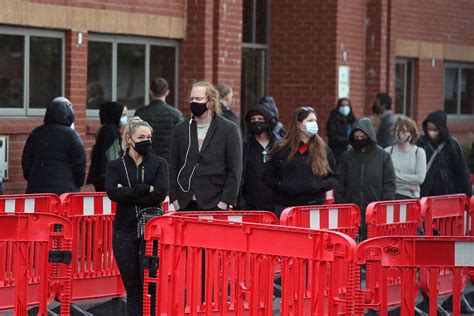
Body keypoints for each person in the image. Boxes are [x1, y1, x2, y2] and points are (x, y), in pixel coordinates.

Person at [105, 117, 169, 316]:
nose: (146, 141)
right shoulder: (116, 166)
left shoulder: (159, 163)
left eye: (149, 137)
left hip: (152, 234)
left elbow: (160, 193)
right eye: (141, 137)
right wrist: (143, 189)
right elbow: (112, 193)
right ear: (129, 139)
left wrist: (128, 192)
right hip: (124, 232)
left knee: (151, 286)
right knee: (133, 287)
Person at [169, 81, 242, 211]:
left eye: (198, 98)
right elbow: (173, 165)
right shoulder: (181, 129)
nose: (194, 102)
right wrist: (174, 198)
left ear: (210, 102)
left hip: (215, 202)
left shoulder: (229, 129)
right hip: (185, 202)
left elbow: (235, 169)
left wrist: (225, 201)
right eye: (191, 99)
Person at [262, 106, 338, 217]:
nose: (314, 124)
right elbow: (267, 177)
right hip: (286, 208)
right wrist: (283, 185)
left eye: (315, 121)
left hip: (314, 207)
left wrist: (318, 185)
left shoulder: (323, 149)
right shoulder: (282, 148)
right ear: (299, 125)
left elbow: (335, 177)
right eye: (310, 121)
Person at [337, 117, 395, 240]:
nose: (359, 140)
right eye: (356, 138)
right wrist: (341, 203)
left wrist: (383, 206)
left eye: (362, 137)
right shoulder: (347, 156)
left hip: (374, 210)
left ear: (369, 136)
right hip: (351, 210)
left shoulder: (383, 156)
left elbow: (389, 184)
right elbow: (340, 182)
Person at [22, 97, 86, 195]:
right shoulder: (72, 136)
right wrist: (77, 183)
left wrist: (32, 177)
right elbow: (79, 165)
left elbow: (26, 161)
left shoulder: (36, 134)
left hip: (37, 189)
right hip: (65, 192)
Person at [416, 110, 472, 197]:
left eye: (435, 129)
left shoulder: (452, 144)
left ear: (441, 128)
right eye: (429, 129)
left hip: (448, 193)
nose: (431, 132)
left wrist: (468, 194)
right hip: (426, 194)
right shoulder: (421, 143)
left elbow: (462, 171)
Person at [240, 101, 281, 211]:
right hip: (250, 204)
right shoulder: (245, 145)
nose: (256, 122)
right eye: (253, 120)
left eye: (260, 119)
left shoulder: (278, 145)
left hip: (275, 203)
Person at [135, 77, 184, 162]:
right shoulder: (176, 115)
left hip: (145, 161)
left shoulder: (140, 113)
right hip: (168, 161)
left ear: (150, 92)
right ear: (167, 92)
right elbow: (182, 141)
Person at [86, 101, 127, 191]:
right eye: (123, 115)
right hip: (108, 178)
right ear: (115, 114)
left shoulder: (104, 130)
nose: (125, 118)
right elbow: (113, 156)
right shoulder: (111, 132)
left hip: (102, 177)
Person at [384, 116, 426, 199]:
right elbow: (385, 177)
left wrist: (395, 177)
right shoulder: (388, 152)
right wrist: (410, 186)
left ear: (411, 133)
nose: (399, 133)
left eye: (403, 131)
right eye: (397, 130)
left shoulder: (418, 152)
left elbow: (420, 178)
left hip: (412, 198)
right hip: (392, 197)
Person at [326, 98, 356, 164]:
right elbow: (333, 136)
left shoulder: (352, 120)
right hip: (337, 152)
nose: (344, 107)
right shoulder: (333, 119)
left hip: (351, 152)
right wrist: (348, 140)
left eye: (346, 105)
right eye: (342, 105)